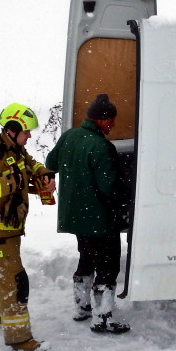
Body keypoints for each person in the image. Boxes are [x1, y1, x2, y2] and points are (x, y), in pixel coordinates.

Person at [0, 102, 54, 351]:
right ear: (12, 130)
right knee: (15, 281)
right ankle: (19, 339)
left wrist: (44, 174)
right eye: (26, 132)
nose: (29, 136)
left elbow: (30, 164)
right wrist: (13, 181)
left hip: (8, 229)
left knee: (2, 271)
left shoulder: (15, 150)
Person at [45, 93, 131, 334]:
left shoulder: (69, 136)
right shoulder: (101, 147)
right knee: (107, 266)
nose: (112, 124)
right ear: (101, 120)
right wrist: (127, 197)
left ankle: (82, 308)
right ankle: (103, 317)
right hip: (100, 221)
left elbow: (50, 163)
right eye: (110, 120)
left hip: (76, 218)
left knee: (86, 260)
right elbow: (109, 188)